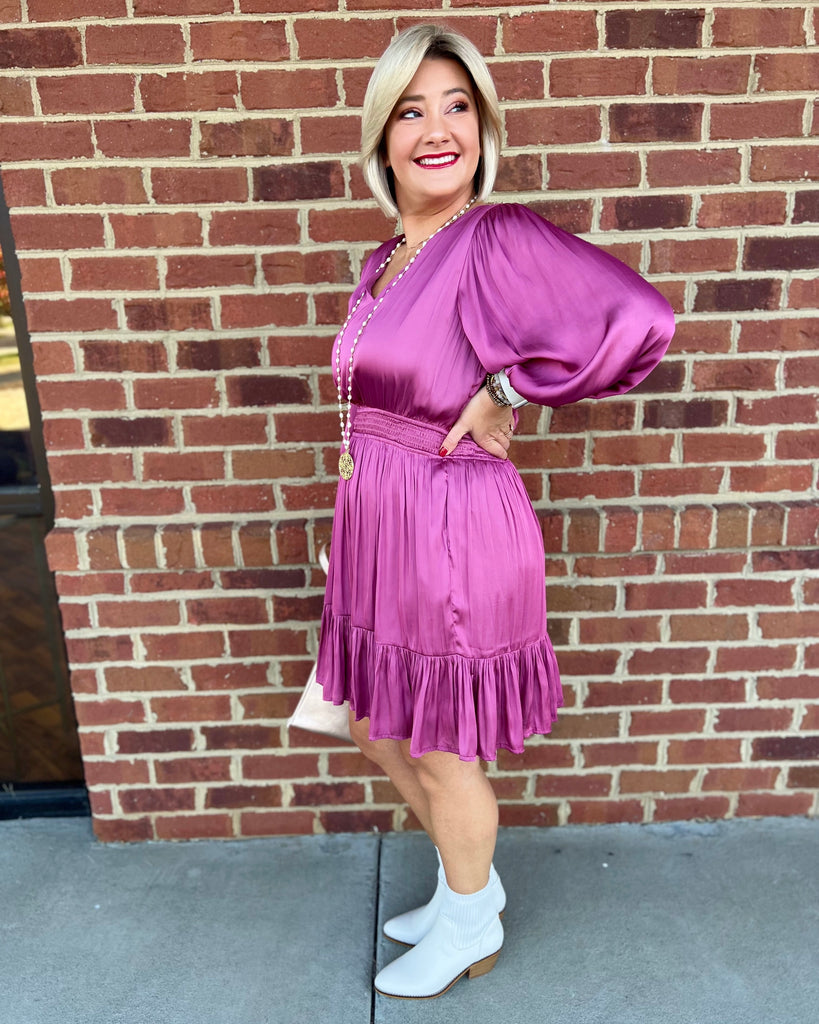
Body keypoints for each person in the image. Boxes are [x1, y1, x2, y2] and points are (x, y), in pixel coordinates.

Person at [315, 23, 675, 1000]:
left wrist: (510, 391)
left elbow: (642, 319)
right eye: (411, 111)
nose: (437, 129)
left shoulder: (494, 237)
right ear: (383, 138)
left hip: (452, 526)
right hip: (383, 528)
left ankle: (470, 921)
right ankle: (463, 885)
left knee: (437, 742)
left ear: (482, 127)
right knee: (374, 725)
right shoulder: (387, 258)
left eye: (457, 107)